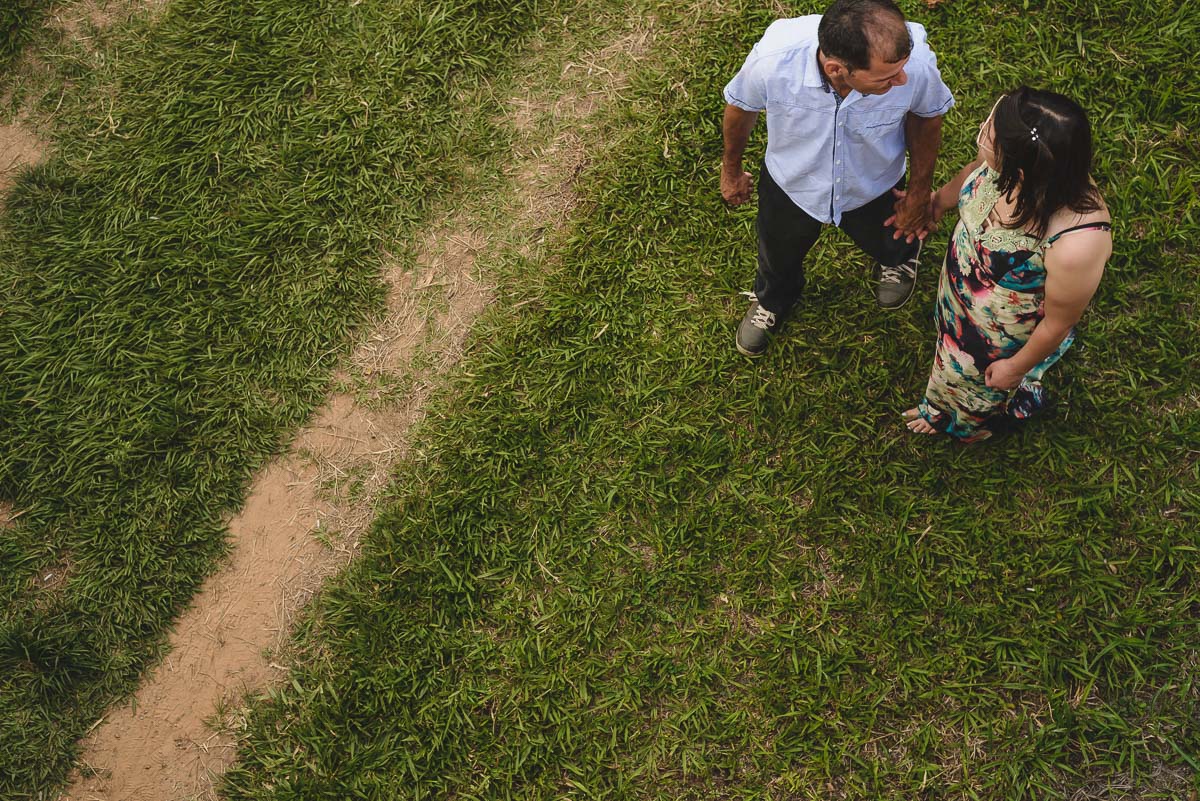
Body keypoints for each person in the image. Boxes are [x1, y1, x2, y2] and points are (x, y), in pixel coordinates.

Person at [722, 0, 954, 358]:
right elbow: (741, 107)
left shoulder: (913, 65)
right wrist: (731, 170)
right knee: (777, 252)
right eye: (887, 79)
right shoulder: (772, 60)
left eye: (901, 72)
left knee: (893, 237)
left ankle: (899, 260)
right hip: (792, 184)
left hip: (875, 182)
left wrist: (919, 195)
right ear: (836, 69)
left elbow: (926, 118)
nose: (902, 80)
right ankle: (773, 299)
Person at [902, 87, 1112, 441]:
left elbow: (1059, 322)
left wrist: (1015, 368)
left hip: (1000, 334)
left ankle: (958, 420)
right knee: (950, 342)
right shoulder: (1007, 167)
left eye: (989, 132)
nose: (981, 130)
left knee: (976, 383)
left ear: (1022, 165)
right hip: (960, 294)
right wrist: (938, 202)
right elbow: (974, 171)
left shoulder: (1078, 242)